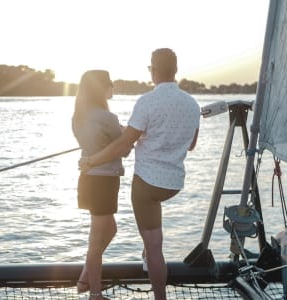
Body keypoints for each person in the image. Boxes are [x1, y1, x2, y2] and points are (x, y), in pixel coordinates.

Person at [79, 49, 200, 300]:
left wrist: (91, 160)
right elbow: (191, 144)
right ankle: (146, 256)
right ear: (175, 70)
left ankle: (159, 295)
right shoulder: (192, 103)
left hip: (147, 185)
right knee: (152, 238)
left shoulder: (146, 102)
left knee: (155, 247)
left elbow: (124, 145)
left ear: (152, 71)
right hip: (174, 184)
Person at [72, 70, 129, 300]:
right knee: (95, 243)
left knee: (110, 230)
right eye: (109, 84)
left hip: (89, 180)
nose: (112, 87)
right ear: (101, 88)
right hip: (103, 183)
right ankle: (94, 293)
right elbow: (123, 148)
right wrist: (126, 134)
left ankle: (86, 276)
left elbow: (99, 143)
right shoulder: (108, 118)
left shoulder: (78, 117)